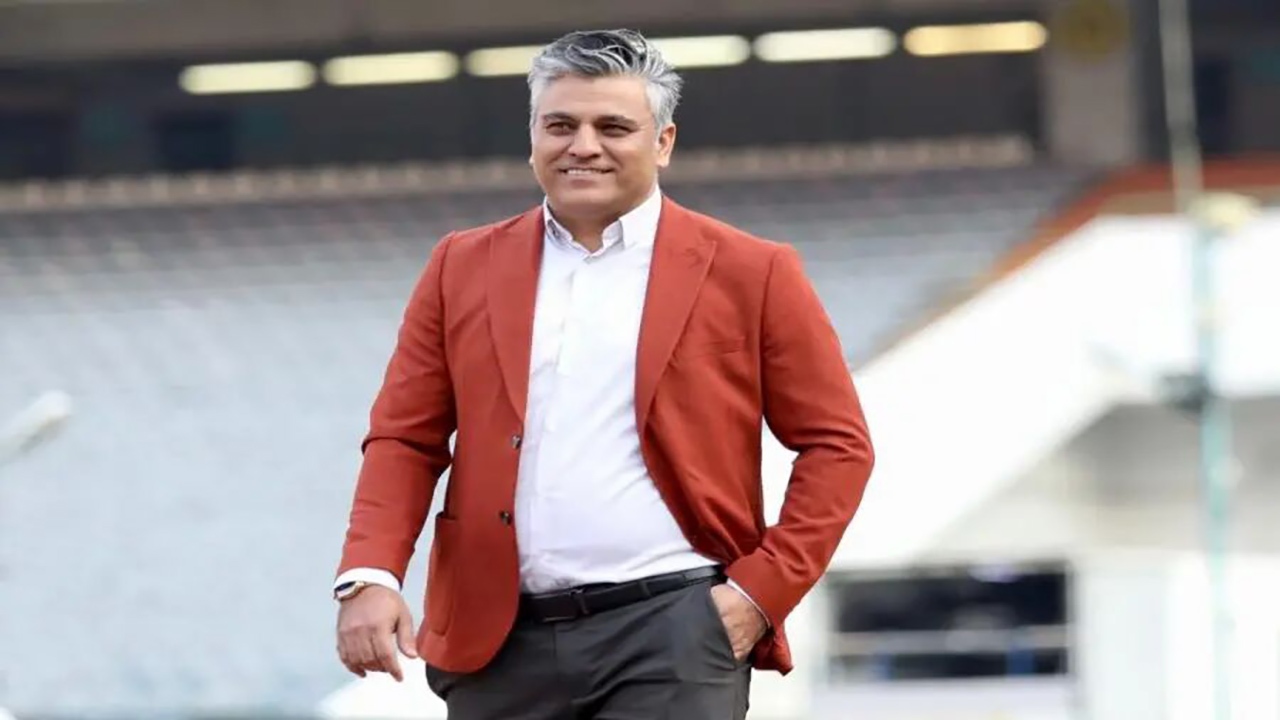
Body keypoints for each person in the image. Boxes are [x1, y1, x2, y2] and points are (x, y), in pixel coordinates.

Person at [332, 28, 875, 720]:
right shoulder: (459, 266)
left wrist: (759, 593)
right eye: (560, 125)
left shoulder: (753, 271)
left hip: (673, 631)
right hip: (496, 643)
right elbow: (405, 438)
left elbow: (838, 446)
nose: (582, 145)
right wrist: (370, 574)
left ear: (663, 142)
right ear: (533, 137)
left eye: (613, 127)